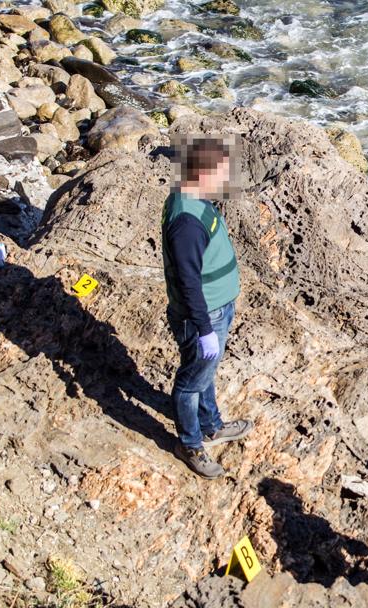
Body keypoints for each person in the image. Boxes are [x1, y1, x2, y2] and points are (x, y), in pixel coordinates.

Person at [161, 136, 252, 479]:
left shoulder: (195, 198)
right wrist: (203, 329)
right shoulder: (186, 220)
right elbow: (188, 282)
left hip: (217, 307)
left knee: (204, 372)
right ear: (201, 174)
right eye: (222, 174)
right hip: (204, 315)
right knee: (190, 382)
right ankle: (189, 443)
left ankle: (211, 425)